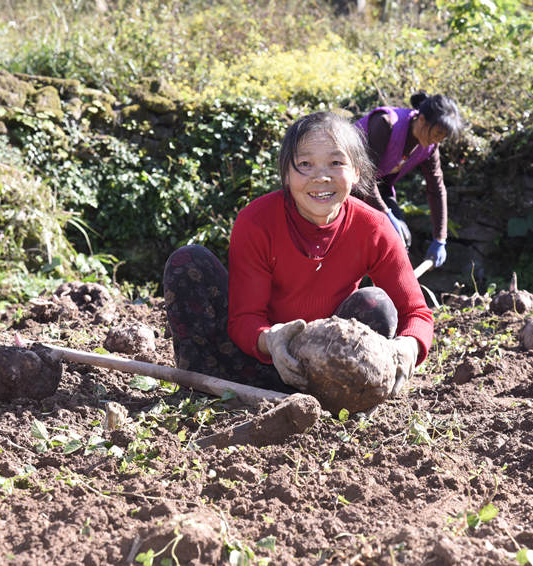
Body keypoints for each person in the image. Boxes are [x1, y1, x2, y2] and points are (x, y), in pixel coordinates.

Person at [163, 111, 433, 399]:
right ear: (287, 174)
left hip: (329, 373)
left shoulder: (374, 228)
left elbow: (416, 312)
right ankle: (202, 387)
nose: (321, 177)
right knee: (187, 261)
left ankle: (345, 399)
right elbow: (244, 319)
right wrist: (272, 340)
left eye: (336, 162)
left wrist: (408, 347)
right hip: (249, 365)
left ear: (356, 172)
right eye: (305, 164)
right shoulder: (257, 222)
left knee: (376, 304)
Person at [354, 91, 462, 268]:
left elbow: (436, 189)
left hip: (377, 189)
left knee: (401, 238)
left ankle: (387, 290)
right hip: (348, 186)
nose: (437, 140)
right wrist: (385, 214)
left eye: (442, 137)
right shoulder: (385, 123)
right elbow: (364, 177)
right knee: (373, 235)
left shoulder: (429, 147)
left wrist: (440, 238)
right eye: (437, 133)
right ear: (421, 120)